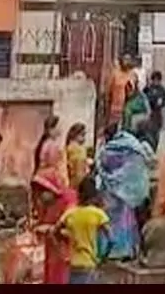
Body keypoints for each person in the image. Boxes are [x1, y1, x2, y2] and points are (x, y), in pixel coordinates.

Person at [96, 123, 155, 260]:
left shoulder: (107, 151)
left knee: (111, 222)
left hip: (111, 193)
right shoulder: (133, 146)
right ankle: (127, 250)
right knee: (126, 221)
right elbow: (144, 163)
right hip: (127, 192)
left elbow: (102, 166)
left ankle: (110, 251)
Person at [31, 119, 76, 283]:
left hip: (66, 252)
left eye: (43, 192)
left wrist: (53, 229)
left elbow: (73, 229)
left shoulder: (69, 200)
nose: (41, 197)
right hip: (51, 251)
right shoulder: (45, 204)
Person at [56, 176, 110, 284]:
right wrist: (103, 257)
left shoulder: (70, 213)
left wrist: (62, 253)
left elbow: (54, 232)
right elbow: (111, 239)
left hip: (73, 263)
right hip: (90, 262)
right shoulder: (98, 214)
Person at [107, 54, 137, 128]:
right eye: (125, 59)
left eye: (128, 60)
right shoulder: (115, 74)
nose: (126, 62)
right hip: (115, 107)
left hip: (128, 108)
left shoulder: (133, 74)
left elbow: (135, 90)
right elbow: (109, 90)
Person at [143, 70, 165, 151]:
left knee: (156, 135)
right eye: (154, 79)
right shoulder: (148, 89)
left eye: (158, 80)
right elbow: (144, 97)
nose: (156, 81)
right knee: (149, 134)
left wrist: (161, 103)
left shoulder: (162, 90)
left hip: (158, 115)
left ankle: (154, 150)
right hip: (149, 114)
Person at [65, 123, 91, 188]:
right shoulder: (78, 149)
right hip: (78, 181)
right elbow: (79, 170)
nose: (84, 137)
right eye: (82, 135)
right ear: (75, 135)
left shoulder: (68, 147)